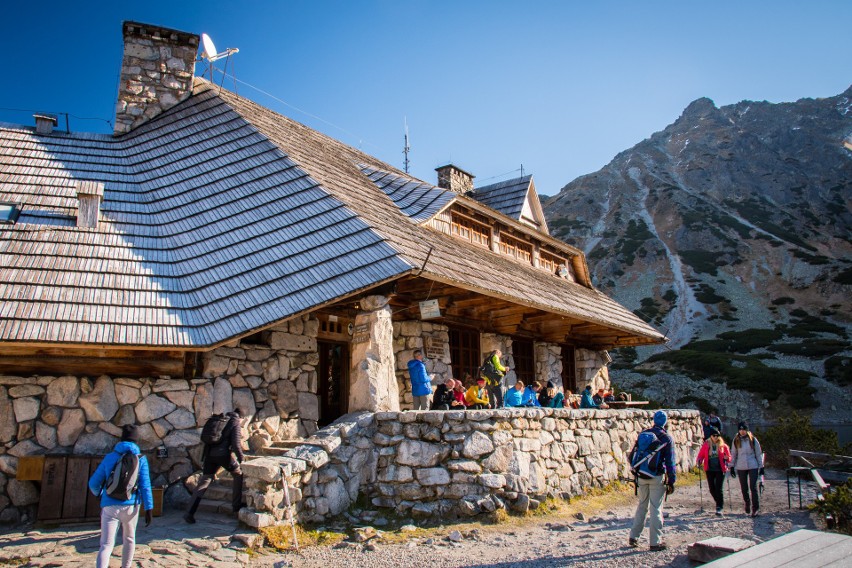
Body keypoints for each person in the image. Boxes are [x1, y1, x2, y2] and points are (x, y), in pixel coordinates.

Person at [88, 424, 153, 568]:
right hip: (131, 505)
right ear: (136, 440)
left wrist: (100, 494)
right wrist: (149, 508)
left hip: (109, 505)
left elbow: (93, 483)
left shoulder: (110, 457)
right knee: (129, 539)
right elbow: (145, 485)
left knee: (106, 544)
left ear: (121, 439)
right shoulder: (141, 459)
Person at [184, 409, 245, 523]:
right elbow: (236, 445)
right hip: (223, 455)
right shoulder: (235, 422)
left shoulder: (221, 420)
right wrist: (242, 460)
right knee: (238, 474)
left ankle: (189, 512)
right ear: (240, 417)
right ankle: (236, 506)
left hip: (209, 455)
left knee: (205, 480)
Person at [628, 410, 677, 551]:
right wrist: (671, 480)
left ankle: (634, 536)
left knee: (642, 505)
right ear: (665, 422)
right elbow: (670, 462)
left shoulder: (644, 434)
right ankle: (655, 542)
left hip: (641, 475)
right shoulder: (667, 438)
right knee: (656, 508)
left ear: (654, 420)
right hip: (656, 476)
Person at [731, 421, 764, 517]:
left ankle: (755, 508)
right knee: (744, 487)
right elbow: (733, 454)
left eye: (744, 429)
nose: (742, 431)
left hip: (753, 465)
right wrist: (731, 466)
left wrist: (761, 466)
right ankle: (747, 502)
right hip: (741, 466)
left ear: (747, 430)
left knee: (753, 487)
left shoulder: (753, 440)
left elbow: (758, 454)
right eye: (740, 429)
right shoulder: (736, 440)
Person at [696, 427, 732, 515]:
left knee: (718, 488)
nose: (715, 437)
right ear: (711, 436)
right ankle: (719, 502)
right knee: (712, 489)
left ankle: (719, 507)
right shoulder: (706, 444)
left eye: (717, 435)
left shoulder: (723, 445)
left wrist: (727, 458)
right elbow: (700, 455)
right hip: (710, 469)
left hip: (720, 469)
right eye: (714, 435)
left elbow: (729, 457)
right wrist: (699, 460)